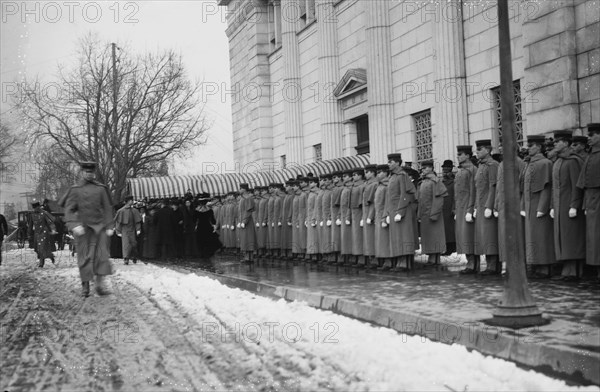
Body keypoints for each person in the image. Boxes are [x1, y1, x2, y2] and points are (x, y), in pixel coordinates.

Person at [60, 161, 114, 297]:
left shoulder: (101, 189)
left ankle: (99, 285)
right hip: (82, 229)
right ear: (82, 172)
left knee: (102, 256)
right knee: (84, 257)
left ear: (94, 173)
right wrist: (74, 224)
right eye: (86, 172)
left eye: (91, 172)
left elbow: (108, 208)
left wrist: (109, 226)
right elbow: (69, 209)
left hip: (99, 227)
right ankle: (85, 286)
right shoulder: (75, 189)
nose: (89, 174)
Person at [551, 130, 585, 281]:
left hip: (569, 206)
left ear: (566, 143)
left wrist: (574, 205)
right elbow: (554, 187)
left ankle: (573, 271)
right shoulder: (558, 161)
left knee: (571, 238)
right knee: (562, 238)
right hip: (559, 206)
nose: (555, 144)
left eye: (558, 141)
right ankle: (567, 269)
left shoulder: (573, 161)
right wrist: (552, 206)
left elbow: (577, 185)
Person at [522, 135, 556, 278]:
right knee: (532, 238)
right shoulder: (529, 164)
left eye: (531, 146)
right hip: (530, 206)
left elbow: (547, 188)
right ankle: (536, 266)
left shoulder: (545, 163)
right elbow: (525, 188)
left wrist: (542, 208)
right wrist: (523, 206)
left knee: (542, 237)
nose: (529, 148)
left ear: (539, 147)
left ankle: (544, 268)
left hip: (539, 207)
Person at [473, 140, 500, 275]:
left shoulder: (493, 165)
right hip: (481, 205)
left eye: (479, 149)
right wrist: (477, 207)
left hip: (488, 206)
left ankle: (493, 266)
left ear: (488, 150)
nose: (476, 152)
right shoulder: (481, 166)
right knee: (485, 236)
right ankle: (490, 264)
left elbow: (493, 186)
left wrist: (490, 206)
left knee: (491, 236)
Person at [386, 153, 418, 270]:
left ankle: (404, 263)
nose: (388, 164)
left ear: (398, 162)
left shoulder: (402, 175)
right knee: (398, 237)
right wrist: (389, 212)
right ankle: (400, 261)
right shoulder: (393, 176)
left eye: (391, 162)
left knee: (404, 236)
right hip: (394, 211)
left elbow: (406, 194)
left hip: (402, 211)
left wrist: (400, 212)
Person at [577, 123, 600, 279]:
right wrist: (585, 204)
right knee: (593, 237)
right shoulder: (590, 156)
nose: (589, 138)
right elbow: (584, 184)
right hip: (591, 203)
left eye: (592, 135)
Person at [455, 146, 479, 274]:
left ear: (468, 156)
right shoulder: (460, 171)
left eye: (461, 154)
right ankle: (469, 263)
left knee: (469, 237)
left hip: (467, 207)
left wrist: (470, 209)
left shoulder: (472, 170)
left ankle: (473, 264)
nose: (458, 156)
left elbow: (473, 191)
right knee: (463, 238)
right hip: (460, 208)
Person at [418, 160, 448, 265]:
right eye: (422, 168)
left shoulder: (436, 181)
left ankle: (435, 258)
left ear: (431, 168)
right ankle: (431, 257)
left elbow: (439, 199)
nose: (423, 170)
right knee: (428, 237)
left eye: (425, 168)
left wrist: (434, 213)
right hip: (425, 214)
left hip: (433, 213)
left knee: (435, 236)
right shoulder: (423, 182)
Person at [28, 200, 57, 267]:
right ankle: (50, 256)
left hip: (44, 232)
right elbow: (30, 225)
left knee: (42, 247)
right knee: (38, 249)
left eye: (37, 207)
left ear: (39, 206)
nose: (36, 209)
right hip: (37, 233)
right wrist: (29, 234)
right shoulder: (32, 215)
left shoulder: (44, 213)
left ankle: (41, 263)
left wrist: (53, 229)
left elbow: (50, 222)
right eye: (35, 208)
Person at [114, 195, 142, 265]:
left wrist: (138, 229)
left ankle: (134, 256)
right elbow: (118, 222)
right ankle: (126, 258)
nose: (132, 202)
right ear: (128, 201)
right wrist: (118, 231)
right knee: (125, 244)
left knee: (134, 244)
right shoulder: (121, 211)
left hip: (132, 229)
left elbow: (137, 222)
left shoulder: (135, 211)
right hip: (124, 230)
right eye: (131, 200)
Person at [195, 193, 222, 262]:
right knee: (208, 240)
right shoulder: (209, 210)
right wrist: (214, 225)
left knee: (201, 240)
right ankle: (208, 253)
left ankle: (202, 253)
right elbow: (213, 220)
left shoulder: (196, 210)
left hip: (200, 226)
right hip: (207, 226)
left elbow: (194, 219)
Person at [441, 159, 456, 255]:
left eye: (447, 171)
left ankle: (452, 248)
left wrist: (454, 208)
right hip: (443, 208)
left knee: (451, 230)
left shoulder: (454, 182)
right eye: (444, 171)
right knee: (445, 230)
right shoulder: (441, 182)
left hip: (450, 208)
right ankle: (446, 247)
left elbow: (456, 196)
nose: (445, 173)